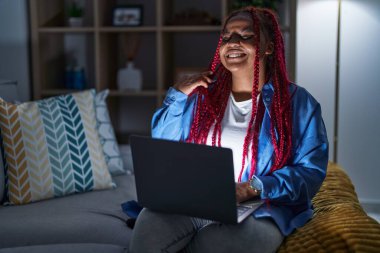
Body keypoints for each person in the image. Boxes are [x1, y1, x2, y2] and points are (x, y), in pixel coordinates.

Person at [128, 6, 328, 253]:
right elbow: (164, 145)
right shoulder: (201, 97)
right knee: (150, 223)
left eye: (246, 36)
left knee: (233, 242)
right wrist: (177, 95)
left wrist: (253, 187)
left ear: (268, 47)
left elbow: (310, 172)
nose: (233, 43)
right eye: (226, 37)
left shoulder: (298, 103)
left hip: (261, 205)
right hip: (196, 199)